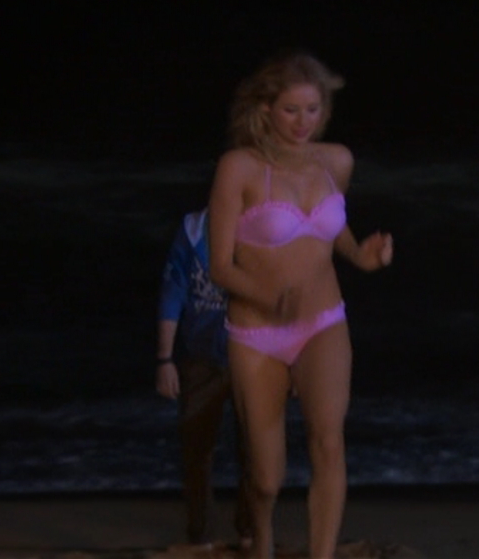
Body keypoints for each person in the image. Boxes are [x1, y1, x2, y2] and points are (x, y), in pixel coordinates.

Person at [207, 50, 394, 559]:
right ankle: (260, 537)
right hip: (257, 333)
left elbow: (330, 229)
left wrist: (361, 254)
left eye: (313, 109)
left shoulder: (337, 160)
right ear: (266, 108)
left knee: (328, 443)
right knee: (268, 476)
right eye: (291, 109)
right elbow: (220, 265)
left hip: (323, 322)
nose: (302, 122)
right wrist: (265, 295)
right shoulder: (239, 167)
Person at [157, 206, 253, 550]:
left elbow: (283, 296)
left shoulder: (263, 227)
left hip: (251, 358)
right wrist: (165, 359)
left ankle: (250, 531)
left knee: (256, 450)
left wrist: (292, 363)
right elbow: (173, 291)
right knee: (196, 451)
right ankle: (201, 536)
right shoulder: (192, 230)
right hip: (200, 361)